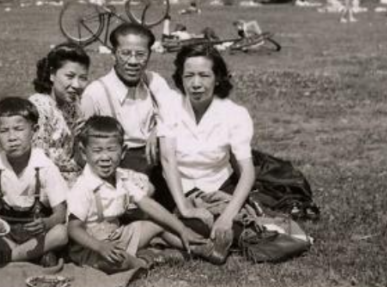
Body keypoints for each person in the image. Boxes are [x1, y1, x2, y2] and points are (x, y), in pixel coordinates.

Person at [67, 116, 211, 273]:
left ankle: (198, 248)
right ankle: (148, 260)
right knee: (117, 262)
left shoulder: (121, 177)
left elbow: (148, 205)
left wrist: (182, 229)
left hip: (117, 235)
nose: (105, 157)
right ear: (83, 152)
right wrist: (100, 246)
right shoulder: (83, 187)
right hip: (92, 248)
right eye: (97, 151)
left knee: (156, 224)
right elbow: (74, 229)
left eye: (111, 149)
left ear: (123, 152)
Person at [158, 43, 256, 265]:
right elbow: (167, 159)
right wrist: (183, 206)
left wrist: (226, 218)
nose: (196, 84)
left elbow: (247, 172)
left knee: (233, 227)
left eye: (204, 75)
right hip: (176, 188)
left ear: (218, 77)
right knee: (155, 216)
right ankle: (194, 238)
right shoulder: (170, 106)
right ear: (180, 78)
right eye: (189, 75)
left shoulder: (235, 114)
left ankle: (182, 238)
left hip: (217, 187)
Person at [0, 98, 68, 267]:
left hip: (36, 233)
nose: (12, 137)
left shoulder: (44, 166)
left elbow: (60, 214)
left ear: (34, 130)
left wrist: (46, 223)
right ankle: (29, 255)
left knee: (61, 233)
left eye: (19, 129)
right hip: (4, 235)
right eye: (4, 131)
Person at [78, 22, 173, 205]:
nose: (133, 62)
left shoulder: (154, 81)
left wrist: (160, 128)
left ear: (149, 55)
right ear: (113, 54)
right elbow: (84, 151)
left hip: (158, 167)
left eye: (140, 54)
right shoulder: (96, 93)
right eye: (125, 53)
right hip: (119, 176)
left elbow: (177, 114)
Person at [29, 43, 90, 184]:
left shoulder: (73, 105)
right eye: (70, 76)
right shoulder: (39, 106)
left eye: (83, 78)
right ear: (52, 74)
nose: (76, 85)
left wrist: (78, 140)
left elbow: (75, 156)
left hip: (73, 177)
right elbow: (38, 162)